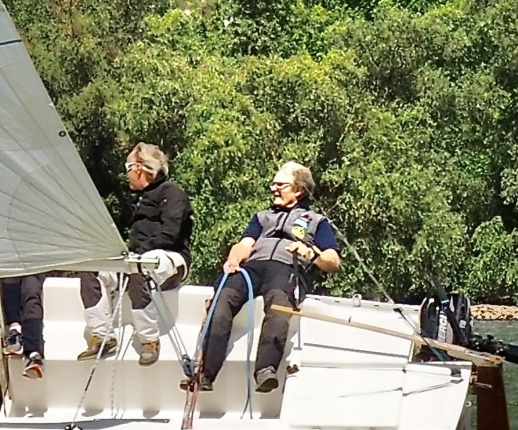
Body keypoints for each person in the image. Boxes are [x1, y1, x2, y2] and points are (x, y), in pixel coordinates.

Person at [192, 161, 340, 395]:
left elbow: (333, 260)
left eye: (280, 184)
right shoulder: (262, 218)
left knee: (280, 306)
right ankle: (205, 372)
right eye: (273, 184)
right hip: (253, 268)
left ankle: (266, 370)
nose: (273, 188)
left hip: (286, 269)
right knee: (222, 299)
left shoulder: (316, 221)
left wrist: (311, 254)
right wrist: (234, 259)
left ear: (298, 190)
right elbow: (245, 243)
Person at [80, 143, 191, 364]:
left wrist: (138, 255)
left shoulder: (172, 193)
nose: (126, 174)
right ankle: (102, 336)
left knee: (139, 269)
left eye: (127, 168)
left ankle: (149, 340)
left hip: (170, 259)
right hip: (138, 259)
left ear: (138, 168)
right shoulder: (141, 197)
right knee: (90, 270)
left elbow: (170, 234)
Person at [0, 274, 47, 379]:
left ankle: (34, 353)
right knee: (10, 281)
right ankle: (15, 331)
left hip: (34, 265)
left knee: (31, 288)